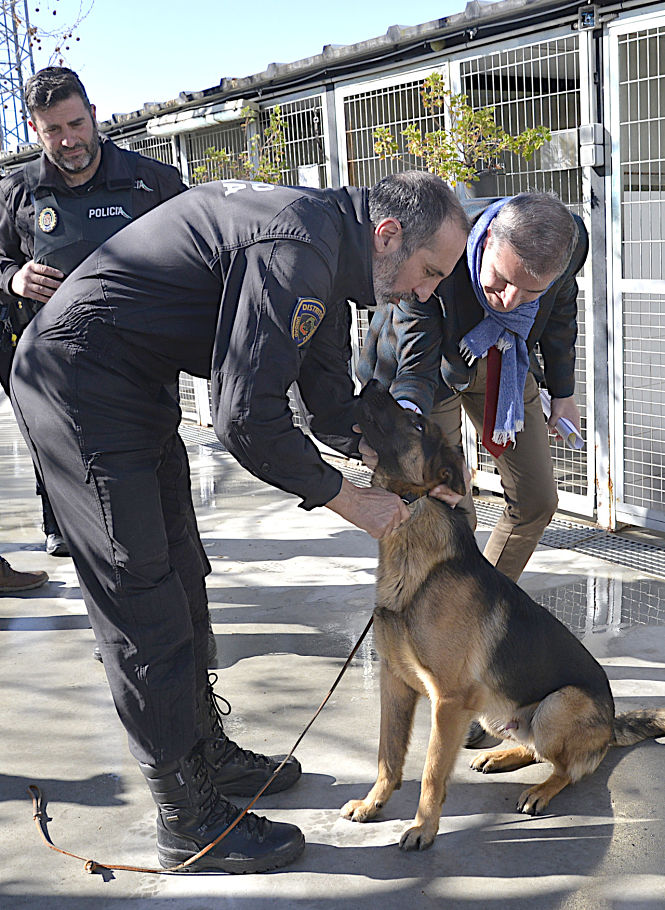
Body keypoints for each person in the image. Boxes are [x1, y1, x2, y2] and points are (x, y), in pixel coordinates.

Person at [9, 171, 469, 873]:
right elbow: (245, 418)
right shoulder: (299, 247)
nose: (427, 291)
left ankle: (201, 750)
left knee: (183, 576)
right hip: (76, 384)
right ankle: (186, 818)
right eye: (429, 271)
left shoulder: (327, 257)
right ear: (387, 236)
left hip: (130, 385)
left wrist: (418, 475)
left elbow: (327, 406)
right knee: (143, 599)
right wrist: (350, 501)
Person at [0, 66, 185, 557]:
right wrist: (12, 278)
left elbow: (202, 254)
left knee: (152, 475)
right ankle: (65, 528)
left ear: (93, 115)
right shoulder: (17, 193)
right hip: (56, 369)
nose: (68, 141)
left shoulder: (155, 182)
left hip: (143, 366)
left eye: (76, 124)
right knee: (64, 461)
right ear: (35, 129)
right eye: (53, 130)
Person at [359, 191, 587, 584]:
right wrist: (414, 434)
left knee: (537, 499)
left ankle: (485, 597)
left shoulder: (571, 242)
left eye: (531, 292)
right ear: (484, 245)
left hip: (506, 362)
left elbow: (561, 310)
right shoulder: (440, 246)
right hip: (426, 366)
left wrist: (564, 393)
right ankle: (445, 616)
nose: (510, 300)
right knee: (449, 502)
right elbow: (417, 353)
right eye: (501, 279)